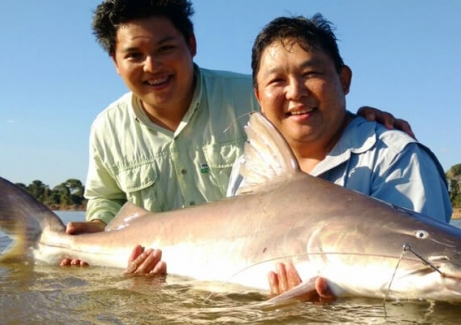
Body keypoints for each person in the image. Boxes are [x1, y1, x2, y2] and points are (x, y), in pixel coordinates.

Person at [61, 0, 414, 269]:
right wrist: (96, 230)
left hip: (247, 261)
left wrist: (363, 121)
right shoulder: (106, 128)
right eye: (134, 55)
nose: (152, 66)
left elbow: (311, 111)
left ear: (192, 44)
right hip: (157, 265)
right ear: (115, 61)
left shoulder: (251, 95)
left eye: (165, 48)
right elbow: (106, 199)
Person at [224, 13, 453, 301]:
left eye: (311, 74)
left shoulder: (397, 159)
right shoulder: (248, 167)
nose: (295, 92)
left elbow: (421, 285)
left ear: (344, 80)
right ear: (259, 96)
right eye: (277, 81)